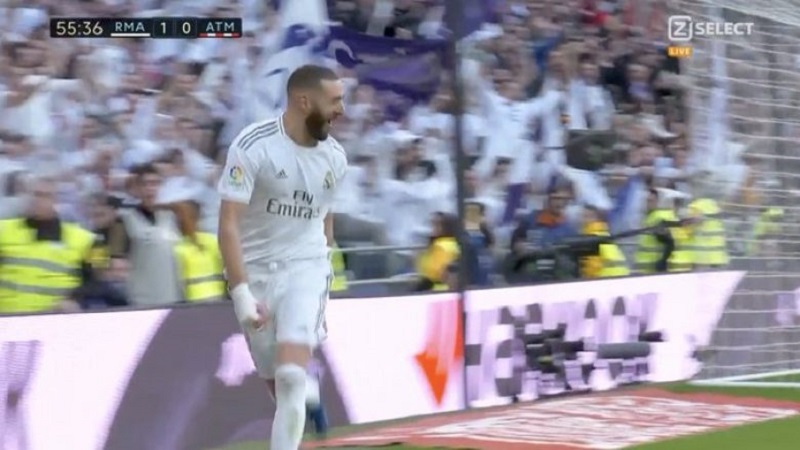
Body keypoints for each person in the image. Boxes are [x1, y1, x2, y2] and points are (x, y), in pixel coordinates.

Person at [217, 65, 347, 450]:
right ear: (304, 102)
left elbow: (325, 220)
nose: (341, 110)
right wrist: (241, 293)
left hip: (306, 268)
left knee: (289, 377)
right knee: (281, 384)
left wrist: (322, 276)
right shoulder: (253, 145)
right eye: (334, 101)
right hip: (257, 271)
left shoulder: (335, 158)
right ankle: (307, 392)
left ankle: (299, 390)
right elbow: (228, 224)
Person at [0, 176, 95, 314]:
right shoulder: (2, 229)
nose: (36, 200)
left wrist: (75, 299)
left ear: (57, 201)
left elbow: (99, 279)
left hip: (54, 319)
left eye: (44, 196)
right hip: (6, 317)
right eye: (32, 194)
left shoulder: (88, 239)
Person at [107, 164, 183, 306]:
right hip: (142, 299)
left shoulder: (171, 216)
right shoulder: (123, 220)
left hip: (174, 296)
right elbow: (115, 259)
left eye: (155, 183)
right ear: (137, 188)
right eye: (145, 184)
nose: (150, 188)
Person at [414, 212, 460, 291]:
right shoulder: (454, 243)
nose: (432, 228)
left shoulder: (441, 246)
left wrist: (419, 257)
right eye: (432, 224)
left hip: (436, 288)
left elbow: (434, 272)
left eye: (436, 225)